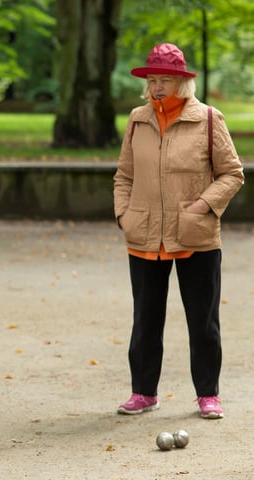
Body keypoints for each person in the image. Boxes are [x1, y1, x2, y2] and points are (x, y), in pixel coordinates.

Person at [113, 44, 244, 419]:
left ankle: (208, 395)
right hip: (144, 235)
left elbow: (232, 173)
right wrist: (124, 214)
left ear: (182, 82)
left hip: (195, 236)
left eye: (164, 79)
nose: (157, 86)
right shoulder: (137, 119)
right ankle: (143, 393)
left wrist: (203, 206)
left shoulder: (207, 118)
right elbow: (124, 175)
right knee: (145, 319)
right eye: (152, 80)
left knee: (202, 321)